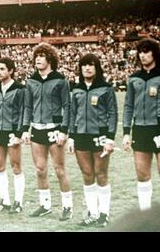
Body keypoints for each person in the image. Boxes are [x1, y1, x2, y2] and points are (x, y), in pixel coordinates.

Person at [21, 43, 73, 221]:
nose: (38, 58)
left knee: (59, 170)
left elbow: (67, 106)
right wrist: (25, 129)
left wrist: (64, 130)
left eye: (42, 55)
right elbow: (27, 106)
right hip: (36, 129)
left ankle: (67, 206)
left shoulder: (60, 80)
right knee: (40, 169)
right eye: (36, 55)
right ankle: (45, 205)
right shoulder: (31, 81)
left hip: (54, 129)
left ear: (50, 58)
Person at [68, 53, 117, 227]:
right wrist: (71, 137)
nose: (87, 68)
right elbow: (72, 113)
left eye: (91, 65)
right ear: (80, 69)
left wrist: (110, 138)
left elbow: (112, 114)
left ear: (96, 68)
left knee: (101, 174)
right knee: (87, 175)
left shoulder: (106, 88)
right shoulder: (76, 88)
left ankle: (104, 214)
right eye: (84, 65)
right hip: (81, 136)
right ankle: (92, 212)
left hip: (100, 136)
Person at [122, 38, 160, 211]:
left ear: (154, 53)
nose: (143, 55)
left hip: (158, 128)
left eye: (146, 51)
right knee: (142, 175)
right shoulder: (133, 78)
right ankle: (145, 213)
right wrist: (126, 132)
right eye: (141, 52)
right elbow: (128, 106)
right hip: (140, 130)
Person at [0, 58, 25, 213]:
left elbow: (23, 112)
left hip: (12, 133)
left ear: (11, 71)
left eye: (2, 69)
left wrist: (18, 134)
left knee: (16, 166)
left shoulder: (19, 89)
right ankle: (5, 199)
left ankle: (18, 202)